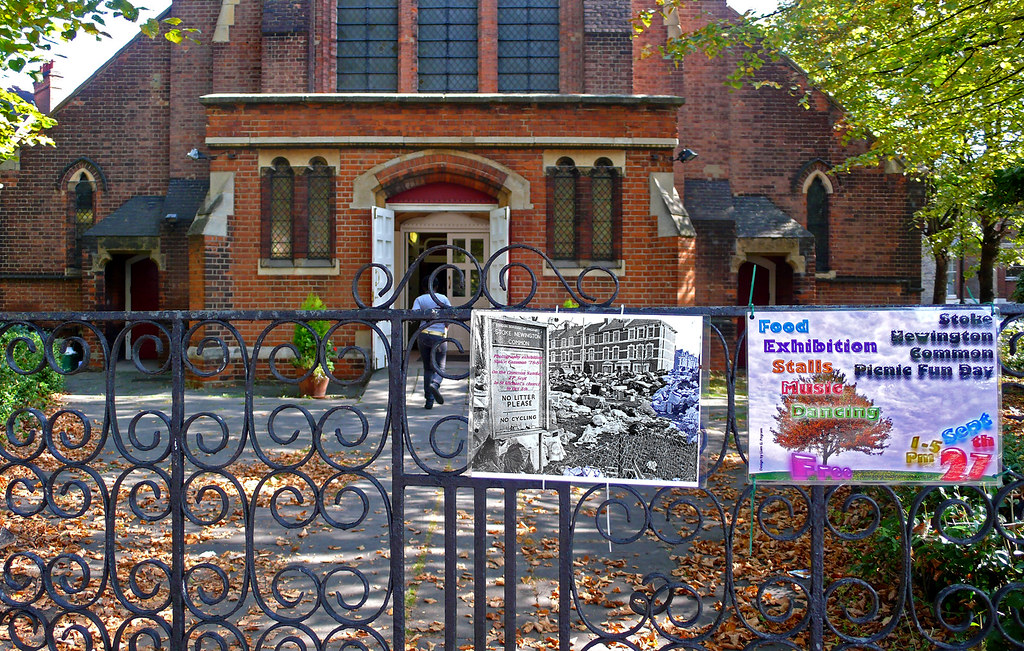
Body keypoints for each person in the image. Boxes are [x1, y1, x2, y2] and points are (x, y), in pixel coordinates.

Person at [413, 274, 451, 409]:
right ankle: (435, 384)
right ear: (437, 286)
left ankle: (429, 400)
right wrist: (445, 326)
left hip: (423, 335)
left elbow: (414, 314)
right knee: (440, 367)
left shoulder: (420, 299)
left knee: (427, 368)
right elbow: (449, 316)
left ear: (423, 287)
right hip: (439, 336)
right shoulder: (443, 298)